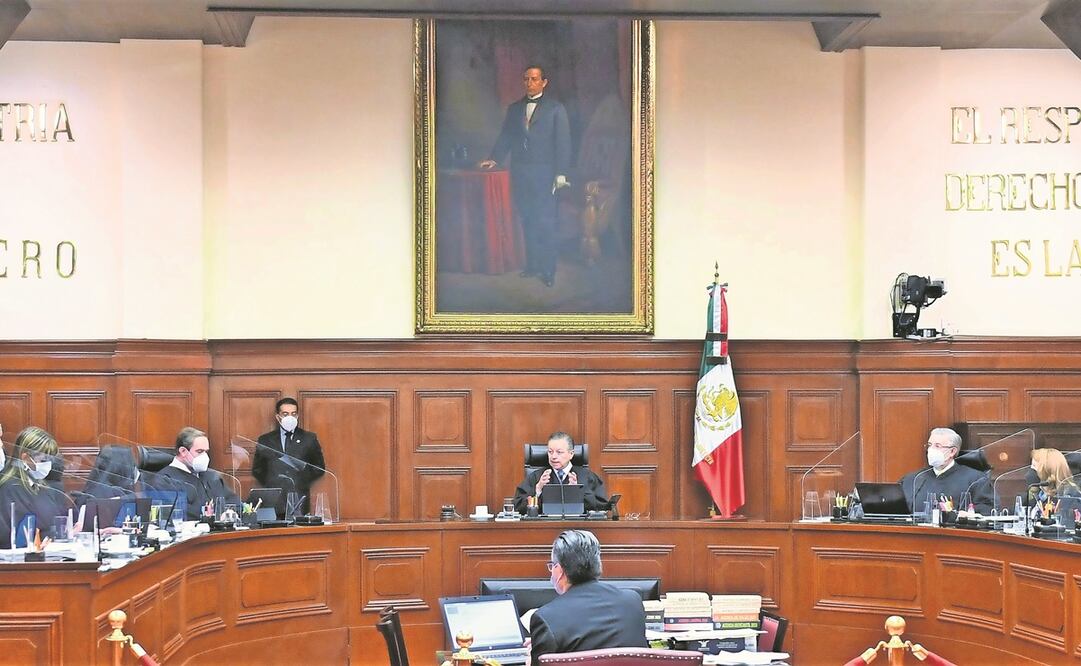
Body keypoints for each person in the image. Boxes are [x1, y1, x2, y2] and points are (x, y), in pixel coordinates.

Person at [479, 65, 571, 288]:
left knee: (546, 222)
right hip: (520, 173)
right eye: (526, 79)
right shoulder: (514, 109)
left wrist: (560, 173)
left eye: (534, 79)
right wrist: (495, 158)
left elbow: (563, 143)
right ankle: (532, 266)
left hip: (545, 174)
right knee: (527, 219)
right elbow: (506, 137)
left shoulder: (556, 108)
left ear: (544, 82)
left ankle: (548, 270)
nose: (529, 83)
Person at [527, 530, 647, 665]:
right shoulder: (632, 601)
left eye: (552, 566)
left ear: (560, 570)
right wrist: (546, 639)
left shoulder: (545, 618)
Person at [253, 397, 326, 516]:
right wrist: (273, 481)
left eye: (293, 414)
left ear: (297, 416)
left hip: (299, 498)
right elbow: (258, 469)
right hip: (274, 500)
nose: (290, 417)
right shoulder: (265, 440)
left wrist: (302, 478)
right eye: (285, 414)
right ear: (278, 417)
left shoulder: (309, 438)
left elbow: (319, 467)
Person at [0, 426, 71, 548]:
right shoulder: (10, 488)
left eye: (50, 460)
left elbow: (50, 521)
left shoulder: (40, 484)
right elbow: (9, 537)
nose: (48, 465)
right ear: (25, 458)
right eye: (43, 460)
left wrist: (66, 531)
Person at [899, 427, 993, 514]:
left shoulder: (976, 480)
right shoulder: (912, 479)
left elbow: (988, 508)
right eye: (929, 445)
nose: (931, 450)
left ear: (952, 451)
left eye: (937, 446)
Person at [153, 427, 239, 520]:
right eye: (200, 451)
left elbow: (234, 502)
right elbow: (179, 512)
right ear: (183, 451)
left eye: (206, 452)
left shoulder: (211, 477)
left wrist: (230, 512)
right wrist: (215, 516)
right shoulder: (165, 480)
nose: (204, 456)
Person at [514, 432, 608, 513]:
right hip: (544, 528)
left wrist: (577, 491)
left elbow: (601, 507)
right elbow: (519, 507)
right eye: (550, 452)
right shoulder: (536, 477)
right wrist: (537, 490)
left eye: (559, 452)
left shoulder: (588, 477)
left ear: (571, 454)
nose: (553, 456)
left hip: (578, 528)